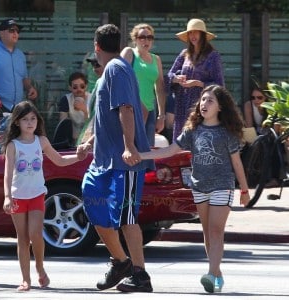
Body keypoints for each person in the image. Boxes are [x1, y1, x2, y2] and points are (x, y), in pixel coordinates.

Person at [138, 85, 250, 293]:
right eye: (203, 99)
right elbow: (170, 150)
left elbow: (236, 163)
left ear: (220, 107)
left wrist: (244, 190)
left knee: (216, 230)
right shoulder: (192, 130)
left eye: (210, 101)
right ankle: (217, 274)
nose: (204, 104)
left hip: (222, 186)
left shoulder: (227, 133)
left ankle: (210, 272)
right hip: (199, 187)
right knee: (207, 233)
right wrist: (141, 155)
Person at [79, 24, 155, 293]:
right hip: (103, 160)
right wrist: (90, 141)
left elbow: (128, 108)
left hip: (125, 161)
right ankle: (120, 261)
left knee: (126, 217)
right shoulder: (108, 74)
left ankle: (140, 274)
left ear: (96, 45)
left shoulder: (116, 68)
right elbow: (141, 111)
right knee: (92, 199)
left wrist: (130, 146)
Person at [2, 100, 88, 292]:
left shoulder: (41, 141)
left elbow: (59, 160)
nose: (30, 123)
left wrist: (78, 157)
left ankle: (40, 268)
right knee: (22, 238)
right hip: (18, 197)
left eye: (33, 118)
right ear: (17, 122)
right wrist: (7, 197)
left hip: (37, 194)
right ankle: (26, 279)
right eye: (25, 119)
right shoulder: (13, 145)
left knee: (35, 234)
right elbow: (8, 173)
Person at [167, 18, 224, 142]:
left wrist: (199, 84)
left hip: (201, 107)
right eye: (190, 33)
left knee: (199, 143)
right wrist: (176, 79)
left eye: (196, 32)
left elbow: (219, 85)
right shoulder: (184, 54)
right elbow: (169, 75)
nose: (192, 36)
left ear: (202, 35)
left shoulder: (213, 56)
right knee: (180, 145)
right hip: (181, 106)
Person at [121, 23, 165, 146]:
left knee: (147, 151)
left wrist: (161, 116)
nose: (146, 40)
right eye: (142, 37)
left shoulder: (156, 59)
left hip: (150, 110)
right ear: (135, 39)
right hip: (131, 109)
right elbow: (119, 80)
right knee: (130, 149)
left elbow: (160, 88)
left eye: (150, 37)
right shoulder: (129, 53)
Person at [76, 56, 104, 145]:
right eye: (93, 65)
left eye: (97, 65)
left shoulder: (107, 82)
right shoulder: (99, 82)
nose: (94, 68)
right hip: (94, 136)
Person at [58, 72, 91, 144]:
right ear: (70, 88)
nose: (79, 90)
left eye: (82, 86)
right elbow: (63, 123)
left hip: (90, 140)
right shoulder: (66, 99)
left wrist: (85, 110)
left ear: (86, 86)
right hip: (72, 140)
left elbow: (93, 124)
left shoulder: (92, 99)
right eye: (75, 87)